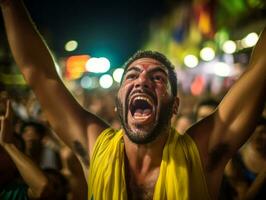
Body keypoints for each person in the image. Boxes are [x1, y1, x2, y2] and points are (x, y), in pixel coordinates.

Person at [1, 0, 265, 199]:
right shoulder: (96, 150)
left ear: (175, 105)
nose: (142, 81)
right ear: (118, 103)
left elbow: (260, 69)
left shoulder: (201, 155)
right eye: (132, 76)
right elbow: (41, 74)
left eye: (158, 78)